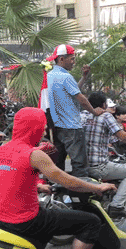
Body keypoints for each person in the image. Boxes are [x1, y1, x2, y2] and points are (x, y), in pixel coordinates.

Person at [0, 107, 117, 249]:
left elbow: (5, 179)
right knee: (91, 222)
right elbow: (66, 180)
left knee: (50, 217)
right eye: (42, 127)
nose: (43, 131)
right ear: (36, 128)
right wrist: (96, 187)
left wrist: (37, 186)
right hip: (26, 221)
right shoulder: (33, 154)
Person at [84, 92, 126, 218]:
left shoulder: (82, 115)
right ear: (104, 104)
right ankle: (116, 206)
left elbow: (111, 139)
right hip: (98, 166)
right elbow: (122, 135)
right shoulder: (105, 116)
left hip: (81, 166)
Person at [46, 44, 105, 177]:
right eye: (72, 59)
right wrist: (95, 112)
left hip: (57, 127)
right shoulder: (65, 77)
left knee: (58, 165)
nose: (74, 62)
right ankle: (80, 195)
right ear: (61, 59)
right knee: (79, 165)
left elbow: (72, 91)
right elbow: (81, 99)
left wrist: (84, 77)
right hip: (72, 127)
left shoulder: (50, 76)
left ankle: (57, 193)